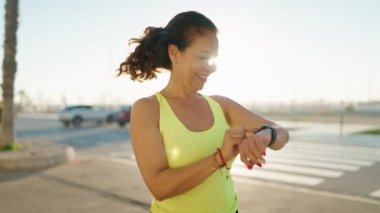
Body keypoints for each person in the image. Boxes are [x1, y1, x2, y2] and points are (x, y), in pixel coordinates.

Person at [117, 11, 289, 213]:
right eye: (203, 57)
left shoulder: (221, 106)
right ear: (174, 53)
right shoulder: (148, 109)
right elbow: (159, 187)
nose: (212, 67)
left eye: (213, 59)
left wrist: (265, 134)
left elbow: (282, 134)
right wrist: (219, 159)